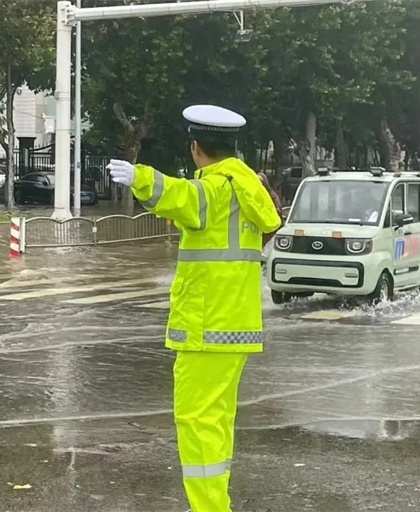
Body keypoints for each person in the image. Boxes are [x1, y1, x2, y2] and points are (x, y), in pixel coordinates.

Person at [107, 105, 282, 512]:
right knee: (216, 423)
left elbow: (184, 196)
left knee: (196, 423)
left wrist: (140, 177)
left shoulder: (218, 187)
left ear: (196, 148)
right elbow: (266, 223)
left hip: (206, 328)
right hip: (235, 326)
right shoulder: (247, 184)